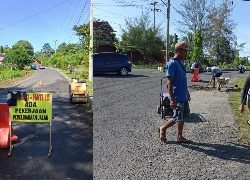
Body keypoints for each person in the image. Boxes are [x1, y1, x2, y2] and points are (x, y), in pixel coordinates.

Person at [158, 41, 191, 143]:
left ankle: (179, 136)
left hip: (183, 95)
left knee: (181, 117)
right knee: (176, 117)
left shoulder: (180, 63)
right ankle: (162, 128)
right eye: (186, 51)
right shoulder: (172, 64)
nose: (187, 53)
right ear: (179, 51)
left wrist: (187, 94)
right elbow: (169, 83)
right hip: (177, 96)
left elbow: (182, 81)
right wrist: (172, 99)